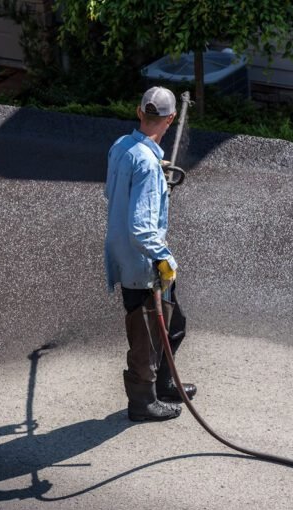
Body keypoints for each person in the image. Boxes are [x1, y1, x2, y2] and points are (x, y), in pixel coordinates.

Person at [104, 86, 197, 422]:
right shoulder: (145, 162)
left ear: (139, 111)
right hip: (142, 261)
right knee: (146, 334)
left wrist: (158, 169)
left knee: (174, 323)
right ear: (170, 119)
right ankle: (142, 403)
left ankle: (164, 383)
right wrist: (163, 259)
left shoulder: (122, 147)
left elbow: (113, 191)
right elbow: (141, 228)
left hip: (123, 254)